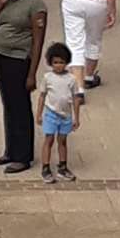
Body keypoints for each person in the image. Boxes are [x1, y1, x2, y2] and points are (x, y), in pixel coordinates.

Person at [0, 0, 47, 175]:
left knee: (21, 107)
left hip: (19, 60)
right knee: (8, 105)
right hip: (1, 57)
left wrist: (32, 73)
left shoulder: (35, 5)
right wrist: (0, 3)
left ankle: (23, 156)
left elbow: (38, 42)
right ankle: (10, 150)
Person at [37, 43, 80, 182]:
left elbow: (75, 98)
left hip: (66, 115)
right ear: (50, 62)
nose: (58, 66)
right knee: (48, 140)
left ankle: (63, 166)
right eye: (55, 62)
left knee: (62, 141)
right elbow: (42, 95)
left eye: (61, 62)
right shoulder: (47, 77)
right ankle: (45, 167)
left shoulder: (71, 79)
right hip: (50, 114)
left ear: (66, 62)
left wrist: (76, 117)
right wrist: (38, 114)